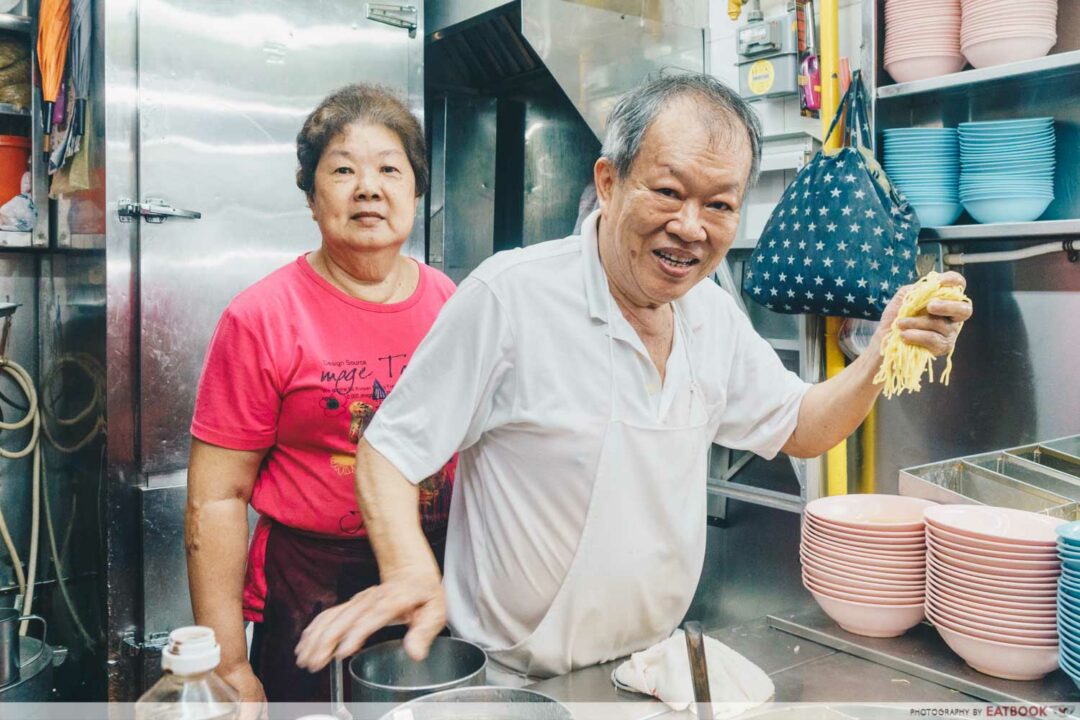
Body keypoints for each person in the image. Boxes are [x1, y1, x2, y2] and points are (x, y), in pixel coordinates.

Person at [294, 73, 973, 681]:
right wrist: (411, 568)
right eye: (669, 191)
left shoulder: (711, 314)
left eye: (719, 205)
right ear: (609, 182)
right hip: (512, 680)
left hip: (651, 673)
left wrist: (885, 351)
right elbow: (389, 450)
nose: (690, 226)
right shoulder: (511, 297)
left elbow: (801, 426)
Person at [185, 84, 457, 704]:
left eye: (390, 168)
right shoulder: (262, 317)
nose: (368, 187)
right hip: (309, 587)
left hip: (435, 574)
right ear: (311, 197)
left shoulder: (452, 303)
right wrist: (228, 664)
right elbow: (217, 500)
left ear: (416, 191)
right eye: (342, 170)